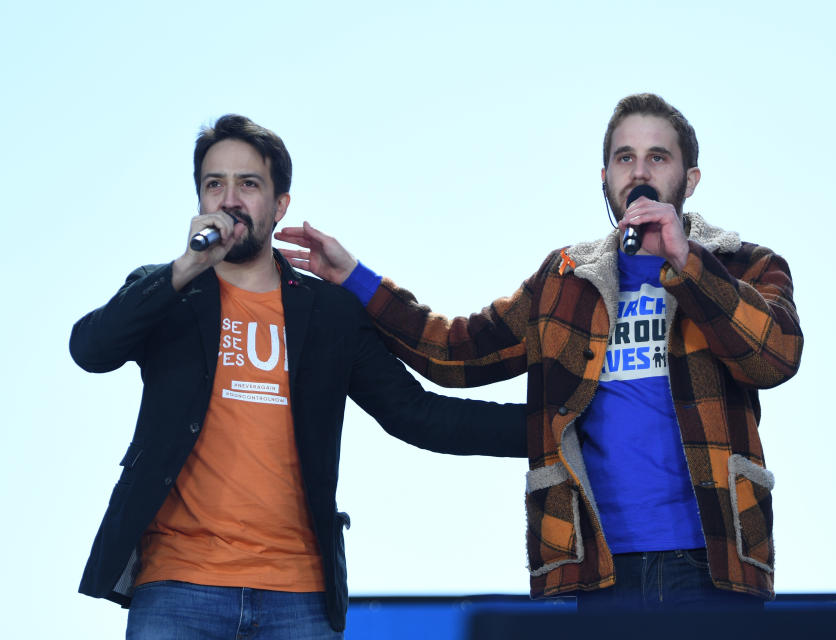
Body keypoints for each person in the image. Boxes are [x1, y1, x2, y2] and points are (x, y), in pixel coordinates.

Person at [274, 93, 804, 612]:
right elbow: (456, 350)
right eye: (624, 158)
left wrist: (687, 262)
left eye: (657, 158)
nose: (638, 172)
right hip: (599, 563)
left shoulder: (743, 266)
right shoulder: (565, 280)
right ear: (605, 179)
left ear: (688, 180)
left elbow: (774, 356)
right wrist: (354, 278)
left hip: (713, 562)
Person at [70, 114, 526, 638]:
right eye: (213, 184)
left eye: (249, 184)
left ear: (280, 204)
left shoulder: (328, 312)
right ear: (199, 201)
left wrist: (551, 428)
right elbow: (90, 349)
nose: (229, 198)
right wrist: (181, 271)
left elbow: (418, 415)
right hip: (177, 588)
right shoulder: (167, 293)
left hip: (299, 597)